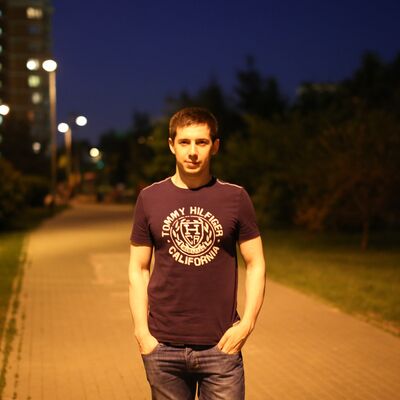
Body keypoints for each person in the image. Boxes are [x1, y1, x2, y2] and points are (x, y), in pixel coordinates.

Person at [129, 107, 266, 399]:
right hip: (162, 347)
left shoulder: (236, 197)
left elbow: (256, 263)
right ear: (172, 145)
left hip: (221, 346)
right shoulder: (149, 198)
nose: (192, 152)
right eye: (184, 142)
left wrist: (247, 324)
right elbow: (138, 268)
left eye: (201, 142)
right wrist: (142, 333)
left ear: (215, 146)